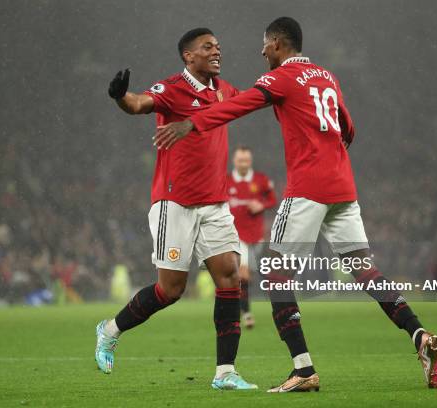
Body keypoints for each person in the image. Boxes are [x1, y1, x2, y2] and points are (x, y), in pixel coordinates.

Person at [154, 17, 437, 392]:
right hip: (344, 188)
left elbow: (238, 106)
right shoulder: (326, 75)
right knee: (365, 272)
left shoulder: (280, 79)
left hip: (308, 189)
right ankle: (418, 333)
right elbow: (348, 128)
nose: (261, 52)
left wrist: (193, 124)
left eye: (264, 45)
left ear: (277, 44)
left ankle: (303, 370)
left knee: (275, 274)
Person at [95, 28, 257, 390]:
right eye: (207, 47)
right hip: (175, 204)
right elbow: (137, 104)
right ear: (188, 56)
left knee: (229, 278)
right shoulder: (171, 89)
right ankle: (110, 330)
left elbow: (253, 99)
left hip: (215, 204)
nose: (217, 50)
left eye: (217, 45)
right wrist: (120, 97)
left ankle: (225, 372)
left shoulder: (224, 90)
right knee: (170, 290)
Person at [227, 146, 276, 328]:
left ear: (250, 161)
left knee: (262, 275)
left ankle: (273, 309)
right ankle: (247, 314)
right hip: (236, 236)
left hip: (257, 236)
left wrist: (261, 204)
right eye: (240, 160)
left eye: (246, 160)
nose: (243, 164)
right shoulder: (226, 181)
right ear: (234, 161)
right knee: (243, 275)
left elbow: (272, 199)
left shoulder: (260, 180)